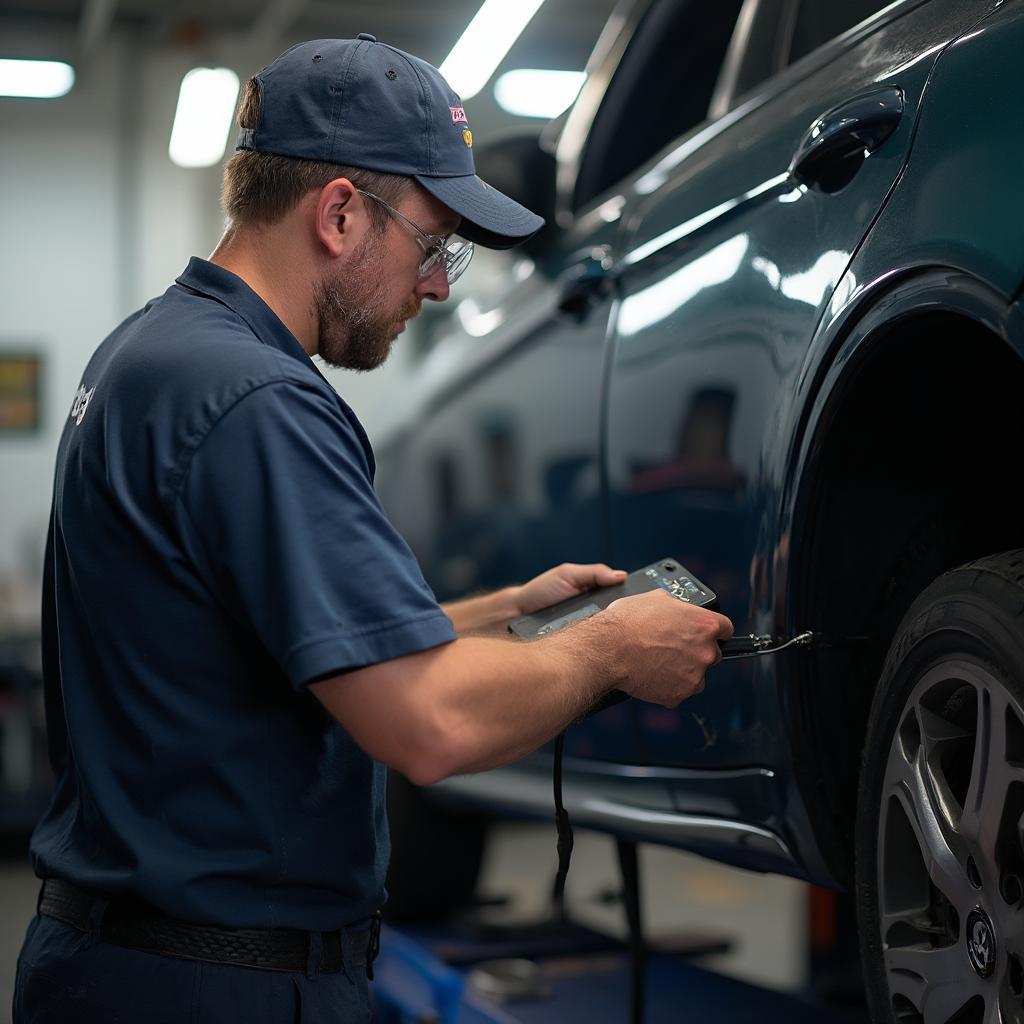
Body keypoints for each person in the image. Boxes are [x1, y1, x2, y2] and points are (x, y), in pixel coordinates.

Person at [13, 34, 732, 1024]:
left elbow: (289, 643)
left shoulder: (155, 354)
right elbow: (425, 724)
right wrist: (614, 647)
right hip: (214, 987)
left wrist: (506, 613)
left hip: (131, 964)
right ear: (341, 212)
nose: (436, 284)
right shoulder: (257, 399)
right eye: (434, 243)